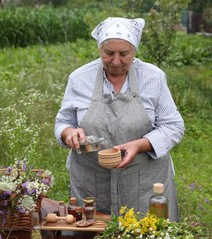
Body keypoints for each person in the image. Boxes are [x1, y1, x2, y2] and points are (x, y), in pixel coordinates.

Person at [54, 17, 185, 221]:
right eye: (109, 53)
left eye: (124, 54)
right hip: (92, 182)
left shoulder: (153, 77)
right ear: (99, 50)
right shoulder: (79, 78)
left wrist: (140, 145)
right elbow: (63, 122)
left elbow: (173, 126)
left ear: (134, 50)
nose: (116, 61)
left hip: (144, 182)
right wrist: (68, 133)